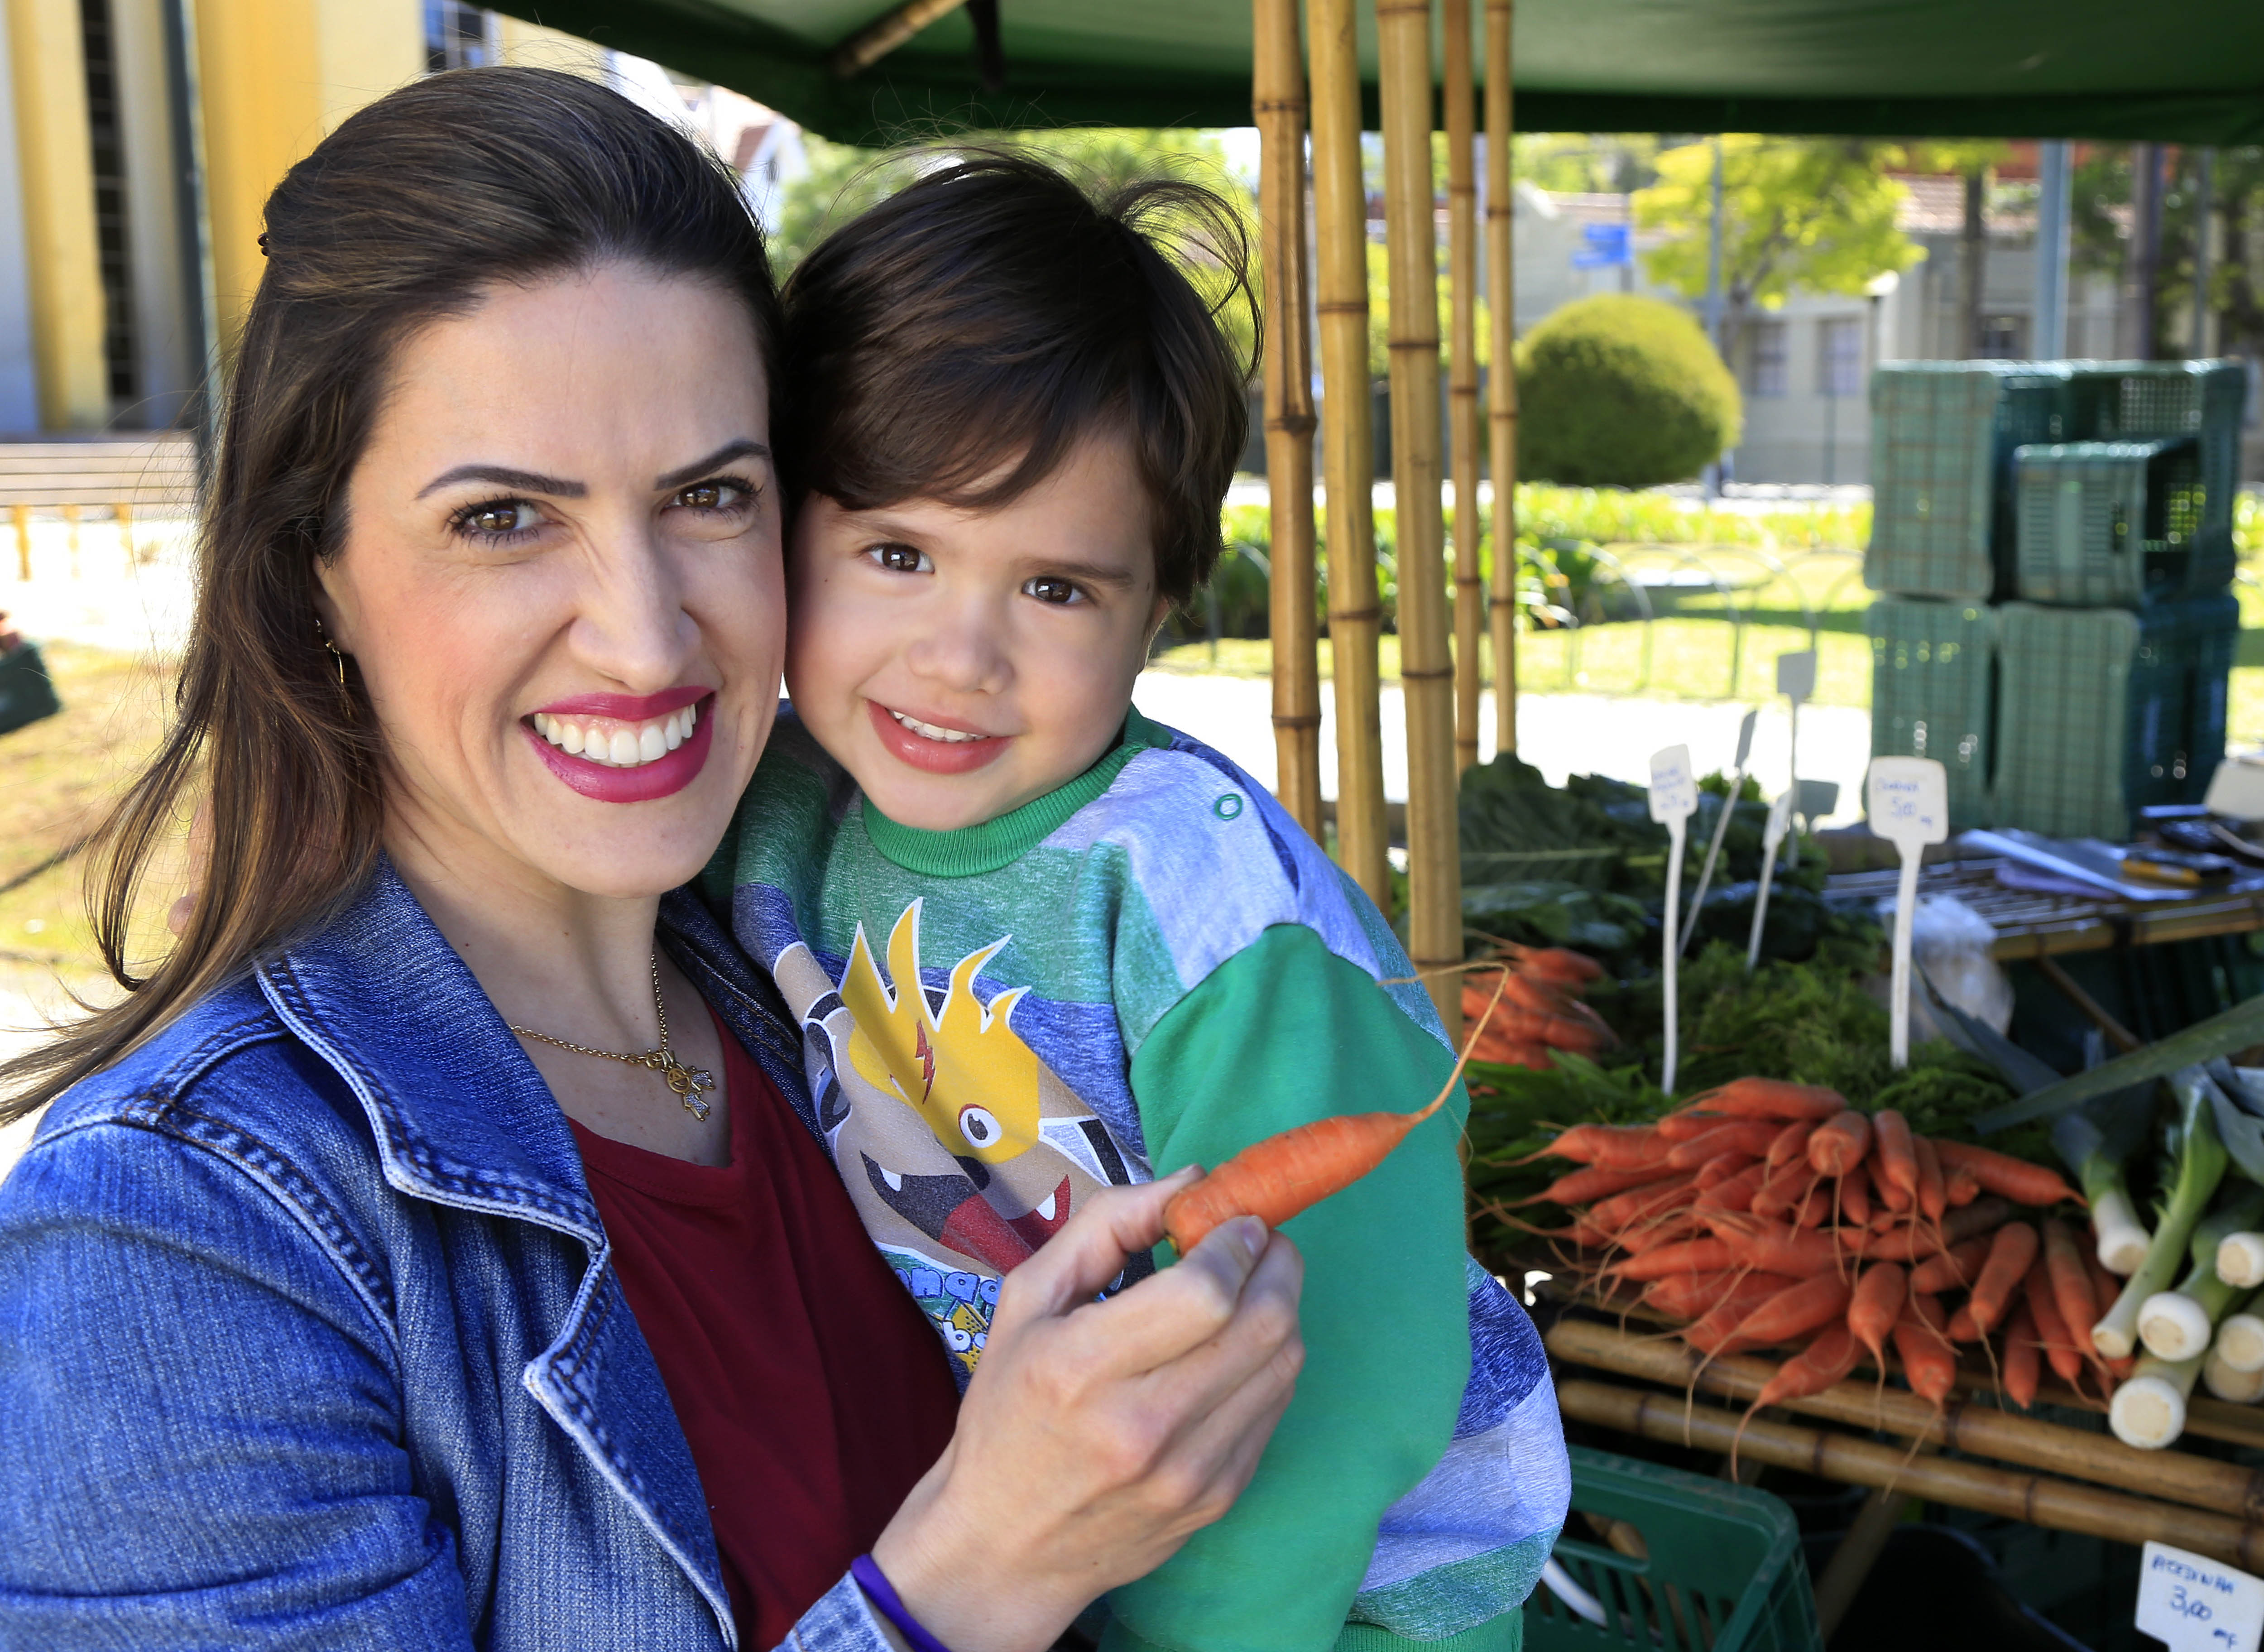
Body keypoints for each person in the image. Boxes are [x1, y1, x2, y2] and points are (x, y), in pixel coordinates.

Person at [0, 69, 1304, 1652]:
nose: (644, 633)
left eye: (708, 497)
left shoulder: (826, 979)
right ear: (312, 579)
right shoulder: (184, 1236)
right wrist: (976, 1579)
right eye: (501, 520)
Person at [715, 154, 1568, 1652]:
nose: (958, 654)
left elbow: (1338, 1383)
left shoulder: (1213, 923)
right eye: (898, 553)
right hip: (1026, 1561)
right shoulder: (782, 805)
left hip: (1330, 1605)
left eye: (1055, 590)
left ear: (1158, 612)